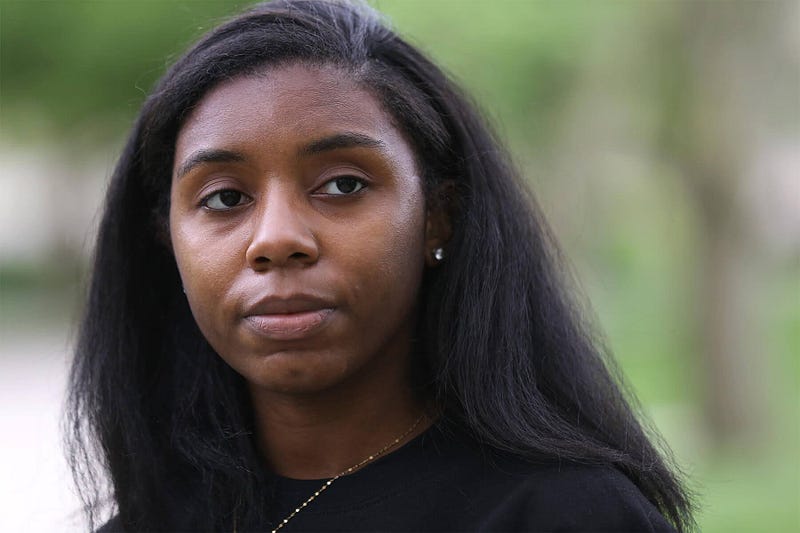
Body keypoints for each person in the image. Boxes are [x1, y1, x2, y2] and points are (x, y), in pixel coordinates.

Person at [66, 1, 696, 531]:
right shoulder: (150, 522)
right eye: (225, 198)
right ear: (167, 241)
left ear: (437, 217)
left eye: (342, 185)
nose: (277, 239)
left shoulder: (568, 514)